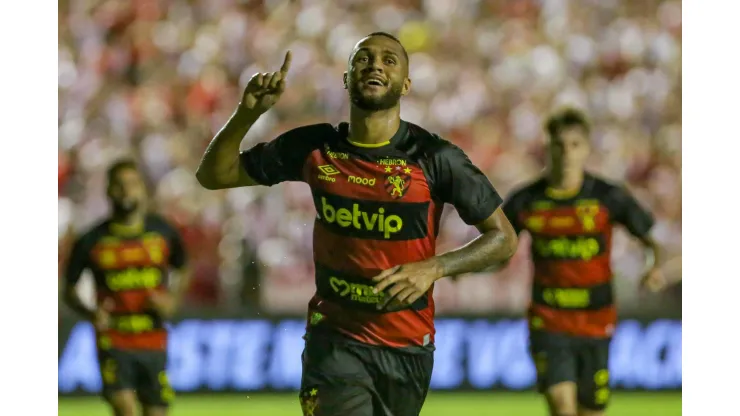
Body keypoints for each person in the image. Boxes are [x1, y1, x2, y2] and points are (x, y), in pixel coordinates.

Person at [196, 32, 518, 416]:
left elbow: (503, 238)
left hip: (407, 345)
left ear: (406, 84)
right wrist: (247, 114)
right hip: (335, 338)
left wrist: (435, 267)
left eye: (389, 60)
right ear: (347, 78)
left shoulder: (435, 158)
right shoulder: (315, 148)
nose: (375, 65)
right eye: (363, 58)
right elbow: (215, 175)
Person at [501, 109, 666, 416]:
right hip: (548, 319)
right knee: (563, 408)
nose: (566, 153)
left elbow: (651, 239)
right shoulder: (525, 200)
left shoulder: (607, 197)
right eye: (558, 145)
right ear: (547, 147)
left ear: (586, 148)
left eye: (574, 144)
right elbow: (496, 245)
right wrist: (466, 266)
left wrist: (653, 265)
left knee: (590, 411)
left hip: (596, 319)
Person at [62, 159, 190, 416]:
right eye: (119, 185)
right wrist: (90, 313)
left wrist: (172, 299)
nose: (126, 191)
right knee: (125, 410)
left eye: (132, 184)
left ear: (143, 188)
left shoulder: (162, 232)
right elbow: (68, 288)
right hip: (114, 339)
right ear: (108, 191)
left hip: (153, 338)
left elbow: (184, 267)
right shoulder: (92, 239)